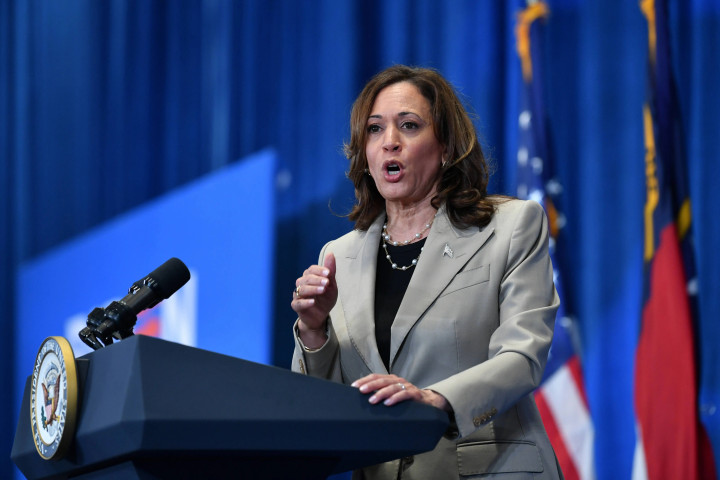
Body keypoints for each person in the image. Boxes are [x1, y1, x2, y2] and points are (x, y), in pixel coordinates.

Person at [290, 64, 563, 480]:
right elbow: (320, 402)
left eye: (409, 126)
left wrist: (437, 400)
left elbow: (522, 357)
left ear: (446, 147)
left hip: (486, 469)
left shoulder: (511, 227)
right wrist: (313, 330)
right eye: (375, 129)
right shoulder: (338, 256)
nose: (390, 142)